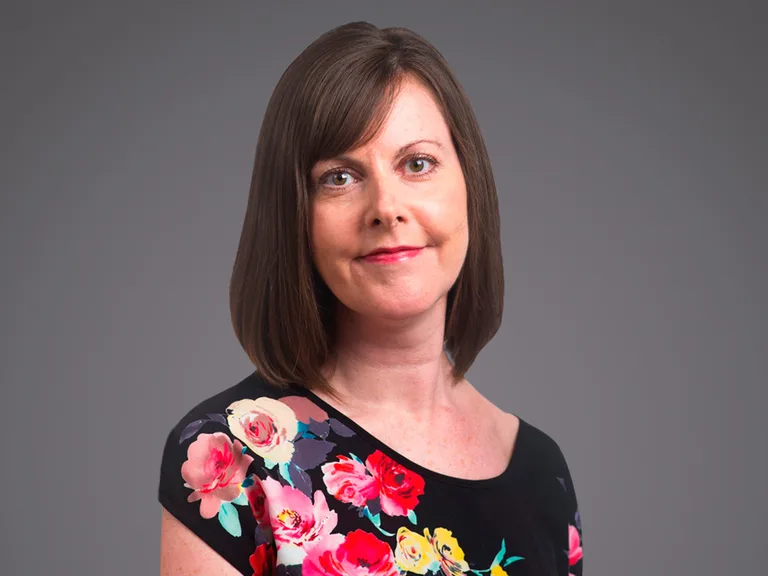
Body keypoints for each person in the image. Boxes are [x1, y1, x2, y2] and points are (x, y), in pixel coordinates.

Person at [158, 20, 584, 576]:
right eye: (339, 177)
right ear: (294, 216)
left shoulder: (542, 472)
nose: (386, 207)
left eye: (418, 164)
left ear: (470, 186)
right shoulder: (230, 456)